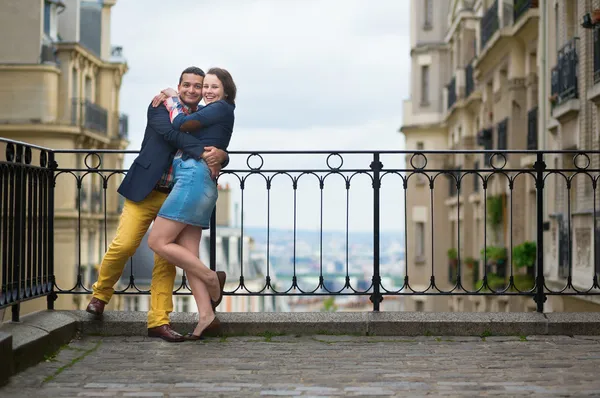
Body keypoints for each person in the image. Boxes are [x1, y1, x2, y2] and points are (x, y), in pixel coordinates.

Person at [86, 67, 229, 343]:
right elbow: (172, 135)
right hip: (145, 190)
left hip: (175, 195)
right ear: (179, 85)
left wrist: (222, 155)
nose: (191, 90)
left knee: (166, 261)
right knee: (125, 244)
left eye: (197, 86)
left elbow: (218, 142)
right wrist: (203, 150)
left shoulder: (203, 117)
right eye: (185, 85)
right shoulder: (161, 106)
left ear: (202, 91)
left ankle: (158, 321)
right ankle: (100, 295)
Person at [148, 67, 236, 340]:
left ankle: (211, 278)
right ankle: (206, 316)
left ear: (225, 91)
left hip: (192, 178)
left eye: (214, 87)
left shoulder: (220, 108)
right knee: (189, 255)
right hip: (200, 182)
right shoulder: (214, 111)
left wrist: (173, 96)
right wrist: (222, 155)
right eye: (205, 86)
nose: (208, 91)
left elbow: (179, 125)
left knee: (157, 241)